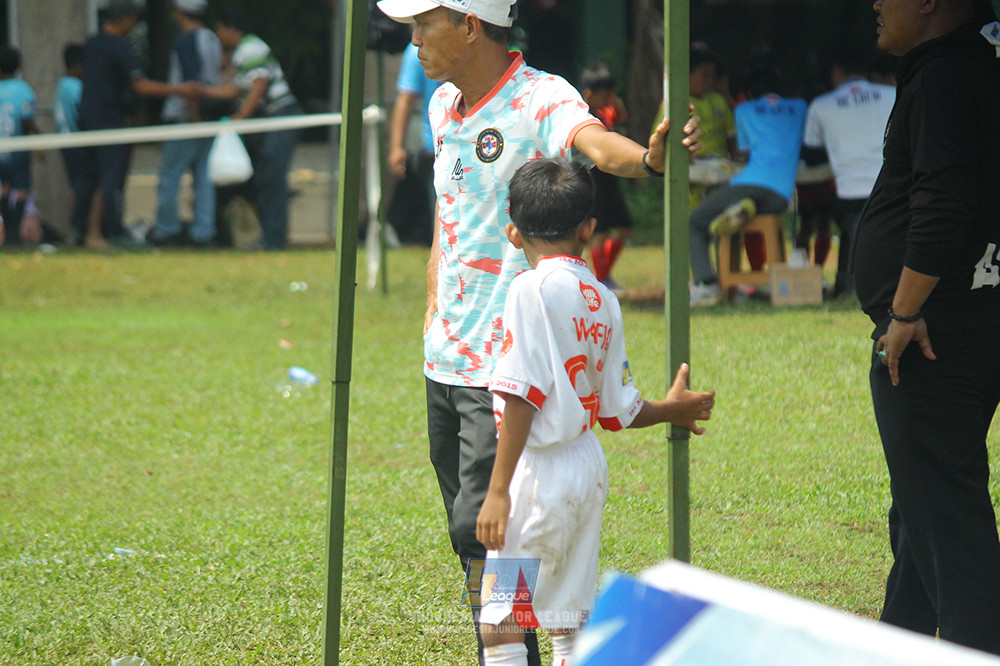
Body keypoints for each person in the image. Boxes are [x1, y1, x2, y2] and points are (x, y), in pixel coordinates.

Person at [375, 1, 700, 663]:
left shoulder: (539, 96)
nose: (413, 44)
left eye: (422, 27)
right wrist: (435, 296)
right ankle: (507, 642)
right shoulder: (442, 107)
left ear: (469, 24)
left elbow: (594, 145)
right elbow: (451, 214)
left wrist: (649, 160)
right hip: (444, 359)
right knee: (472, 530)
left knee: (484, 531)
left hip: (502, 369)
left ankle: (507, 648)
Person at [475, 157, 715, 666]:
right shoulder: (604, 298)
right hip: (586, 468)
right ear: (588, 229)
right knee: (568, 616)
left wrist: (498, 492)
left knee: (502, 622)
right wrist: (671, 409)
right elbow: (617, 411)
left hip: (534, 476)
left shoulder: (529, 288)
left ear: (513, 233)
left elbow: (521, 394)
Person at [853, 0, 1000, 654]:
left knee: (951, 534)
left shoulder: (946, 77)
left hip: (936, 334)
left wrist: (906, 310)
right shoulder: (971, 68)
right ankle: (901, 645)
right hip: (974, 316)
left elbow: (943, 199)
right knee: (923, 514)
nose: (878, 4)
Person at [76, 0, 196, 249]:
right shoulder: (119, 47)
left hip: (87, 118)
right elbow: (141, 86)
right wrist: (180, 89)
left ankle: (84, 230)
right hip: (109, 122)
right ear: (127, 19)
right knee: (108, 179)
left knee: (90, 178)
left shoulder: (91, 44)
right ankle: (99, 233)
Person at [687, 63, 806, 306]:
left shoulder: (744, 110)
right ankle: (745, 206)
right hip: (782, 194)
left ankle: (707, 284)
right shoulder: (799, 107)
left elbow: (742, 153)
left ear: (749, 93)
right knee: (727, 207)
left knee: (696, 220)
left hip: (751, 181)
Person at [203, 4, 302, 251]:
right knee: (265, 178)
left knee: (272, 179)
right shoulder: (242, 51)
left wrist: (240, 116)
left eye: (218, 28)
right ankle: (269, 236)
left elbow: (258, 84)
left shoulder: (251, 48)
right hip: (273, 119)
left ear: (228, 26)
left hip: (280, 117)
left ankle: (274, 240)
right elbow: (235, 88)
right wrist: (201, 90)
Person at [802, 48, 895, 299]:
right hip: (890, 189)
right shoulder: (892, 94)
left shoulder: (821, 105)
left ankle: (846, 282)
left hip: (849, 194)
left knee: (845, 225)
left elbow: (811, 155)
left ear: (837, 72)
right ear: (865, 71)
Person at [148, 0, 223, 248]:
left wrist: (193, 116)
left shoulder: (187, 40)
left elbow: (192, 84)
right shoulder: (211, 38)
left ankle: (167, 230)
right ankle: (204, 231)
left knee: (170, 177)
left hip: (188, 117)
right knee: (203, 177)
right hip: (209, 116)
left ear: (180, 13)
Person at [579, 62, 632, 292]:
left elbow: (622, 115)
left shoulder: (604, 112)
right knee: (599, 231)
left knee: (625, 226)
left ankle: (604, 274)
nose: (610, 98)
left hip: (610, 177)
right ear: (589, 95)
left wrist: (612, 98)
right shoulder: (582, 116)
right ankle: (601, 281)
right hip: (593, 179)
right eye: (605, 95)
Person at [386, 42, 441, 247]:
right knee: (442, 228)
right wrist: (396, 147)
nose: (418, 35)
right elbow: (405, 99)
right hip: (435, 150)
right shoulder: (416, 49)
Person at [0, 46, 40, 247]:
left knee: (5, 188)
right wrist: (39, 137)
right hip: (17, 149)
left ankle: (7, 232)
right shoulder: (23, 90)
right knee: (22, 189)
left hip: (1, 149)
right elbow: (26, 118)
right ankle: (14, 234)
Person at [54, 43, 90, 245]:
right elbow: (81, 114)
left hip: (65, 142)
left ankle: (76, 229)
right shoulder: (76, 86)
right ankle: (77, 229)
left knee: (77, 187)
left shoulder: (61, 85)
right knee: (82, 187)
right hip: (76, 143)